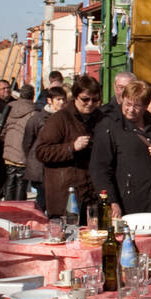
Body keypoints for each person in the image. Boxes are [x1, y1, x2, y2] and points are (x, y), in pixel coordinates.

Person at [89, 79, 151, 218]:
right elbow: (100, 169)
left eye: (137, 106)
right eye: (128, 104)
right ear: (122, 99)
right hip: (126, 202)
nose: (131, 110)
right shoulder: (109, 125)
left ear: (146, 105)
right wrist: (111, 201)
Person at [34, 75, 100, 222]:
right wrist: (71, 147)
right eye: (85, 99)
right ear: (76, 97)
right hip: (65, 198)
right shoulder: (60, 119)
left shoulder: (100, 118)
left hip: (91, 197)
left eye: (95, 100)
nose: (90, 104)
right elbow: (41, 151)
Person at [22, 85, 63, 212]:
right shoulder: (38, 119)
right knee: (44, 199)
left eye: (63, 99)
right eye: (58, 100)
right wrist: (35, 158)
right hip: (40, 167)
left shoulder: (65, 118)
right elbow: (27, 143)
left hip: (57, 166)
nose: (62, 103)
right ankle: (37, 222)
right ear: (49, 101)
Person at [0, 84, 39, 200]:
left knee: (10, 178)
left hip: (9, 148)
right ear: (32, 96)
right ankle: (19, 204)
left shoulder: (10, 107)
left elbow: (3, 128)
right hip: (23, 150)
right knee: (21, 181)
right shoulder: (34, 111)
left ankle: (9, 203)